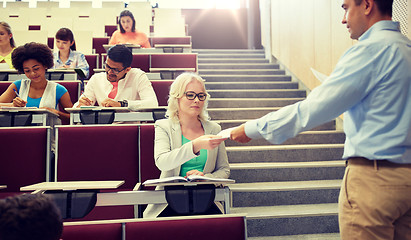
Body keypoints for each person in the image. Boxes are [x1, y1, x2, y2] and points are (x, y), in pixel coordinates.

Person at [230, 0, 411, 239]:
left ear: (367, 5)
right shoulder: (406, 49)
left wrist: (251, 128)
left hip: (374, 181)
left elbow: (311, 110)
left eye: (346, 8)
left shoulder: (370, 50)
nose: (343, 19)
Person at [144, 72, 230, 218]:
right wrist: (195, 146)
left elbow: (224, 169)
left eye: (201, 96)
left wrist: (206, 177)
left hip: (206, 199)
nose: (196, 100)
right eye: (190, 95)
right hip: (169, 200)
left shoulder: (214, 128)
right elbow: (162, 163)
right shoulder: (163, 126)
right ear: (177, 97)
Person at [0, 42, 73, 122]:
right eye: (27, 71)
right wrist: (12, 105)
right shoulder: (18, 85)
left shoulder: (58, 89)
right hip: (21, 131)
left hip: (49, 132)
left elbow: (72, 118)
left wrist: (55, 112)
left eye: (36, 69)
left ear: (45, 65)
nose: (32, 74)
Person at [74, 44, 158, 108]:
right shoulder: (96, 79)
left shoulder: (138, 76)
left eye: (115, 70)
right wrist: (81, 104)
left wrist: (121, 104)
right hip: (103, 127)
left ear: (127, 69)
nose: (110, 72)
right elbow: (77, 106)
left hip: (130, 126)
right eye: (107, 66)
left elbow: (152, 103)